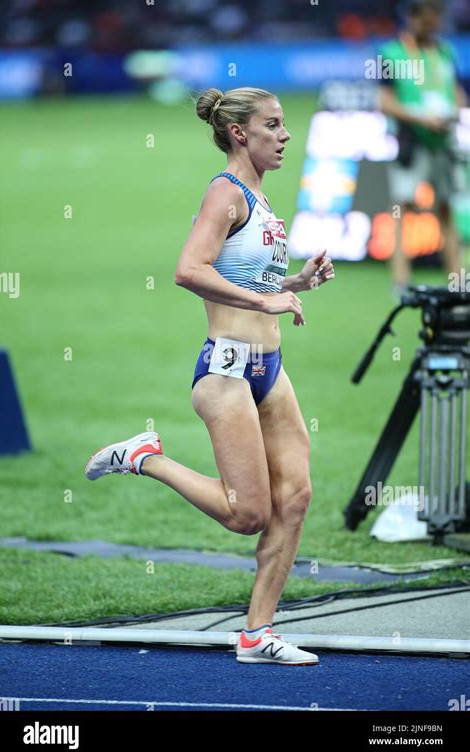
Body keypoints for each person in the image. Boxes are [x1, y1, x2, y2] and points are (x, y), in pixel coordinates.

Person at [85, 86, 334, 665]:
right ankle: (145, 457)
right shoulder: (225, 192)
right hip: (225, 371)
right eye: (273, 125)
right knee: (247, 514)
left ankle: (256, 635)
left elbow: (247, 277)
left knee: (294, 498)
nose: (285, 135)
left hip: (269, 368)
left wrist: (292, 284)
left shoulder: (262, 200)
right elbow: (187, 269)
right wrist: (263, 300)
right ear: (240, 133)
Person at [378, 0, 467, 293]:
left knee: (446, 210)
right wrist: (421, 118)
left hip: (444, 141)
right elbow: (385, 102)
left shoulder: (445, 51)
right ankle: (400, 280)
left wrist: (455, 111)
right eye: (426, 21)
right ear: (413, 19)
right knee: (401, 209)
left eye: (435, 21)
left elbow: (456, 92)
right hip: (412, 141)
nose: (432, 27)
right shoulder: (391, 53)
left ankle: (457, 280)